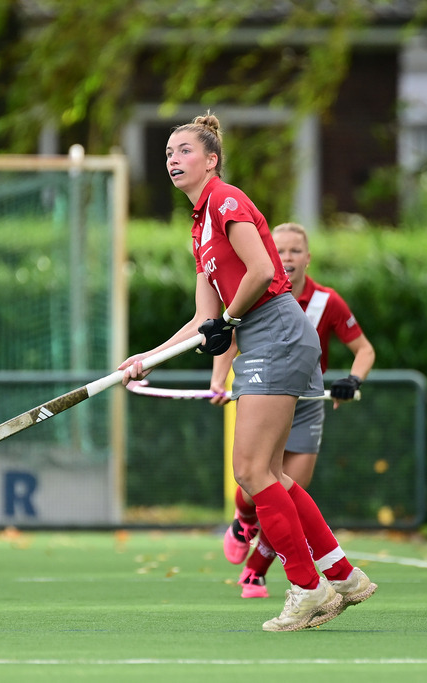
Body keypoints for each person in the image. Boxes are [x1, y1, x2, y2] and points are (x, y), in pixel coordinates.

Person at [118, 112, 376, 632]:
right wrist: (147, 357)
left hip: (275, 331)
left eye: (185, 151)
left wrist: (230, 320)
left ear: (211, 160)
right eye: (168, 152)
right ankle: (342, 575)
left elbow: (260, 272)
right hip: (272, 335)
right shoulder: (200, 230)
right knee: (272, 474)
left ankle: (307, 588)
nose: (173, 159)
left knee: (251, 471)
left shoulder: (225, 200)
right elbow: (202, 320)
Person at [211, 222, 376, 598]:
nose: (287, 258)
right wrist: (218, 380)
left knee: (287, 488)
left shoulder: (326, 301)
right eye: (280, 250)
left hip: (306, 402)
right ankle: (246, 519)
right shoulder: (260, 293)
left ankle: (258, 571)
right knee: (258, 482)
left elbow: (364, 350)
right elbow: (229, 335)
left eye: (295, 251)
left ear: (308, 257)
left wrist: (353, 380)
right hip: (265, 390)